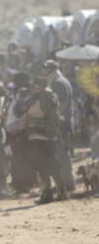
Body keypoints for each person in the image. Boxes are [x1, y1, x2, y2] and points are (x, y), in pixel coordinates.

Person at [15, 76, 67, 203]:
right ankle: (60, 191)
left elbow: (25, 113)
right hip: (47, 136)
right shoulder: (50, 96)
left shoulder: (42, 98)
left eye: (34, 86)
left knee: (43, 166)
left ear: (40, 86)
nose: (32, 88)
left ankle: (48, 193)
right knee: (51, 164)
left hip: (40, 136)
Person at [42, 59, 74, 193]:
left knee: (61, 155)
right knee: (60, 154)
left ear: (50, 69)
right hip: (62, 122)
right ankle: (66, 184)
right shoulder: (59, 81)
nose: (43, 71)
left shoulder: (58, 83)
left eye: (45, 68)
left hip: (60, 123)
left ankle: (67, 185)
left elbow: (61, 105)